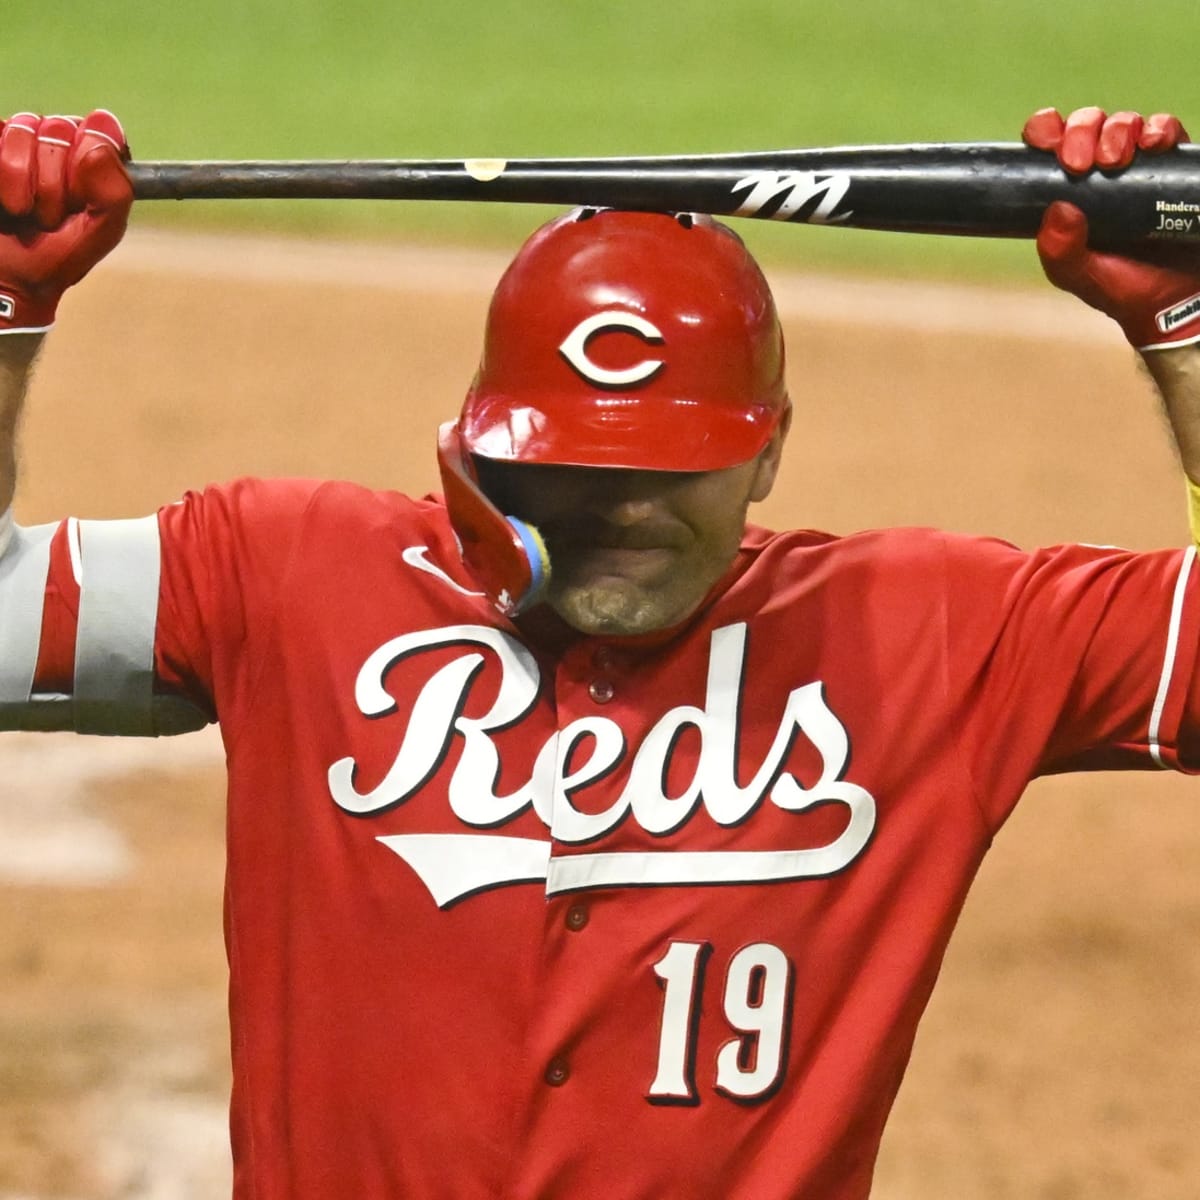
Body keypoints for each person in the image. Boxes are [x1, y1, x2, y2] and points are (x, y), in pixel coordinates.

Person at [0, 104, 1196, 1199]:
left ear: (770, 453)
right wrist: (6, 311)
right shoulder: (287, 573)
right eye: (569, 465)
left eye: (672, 469)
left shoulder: (934, 634)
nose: (621, 510)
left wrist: (1184, 328)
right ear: (476, 447)